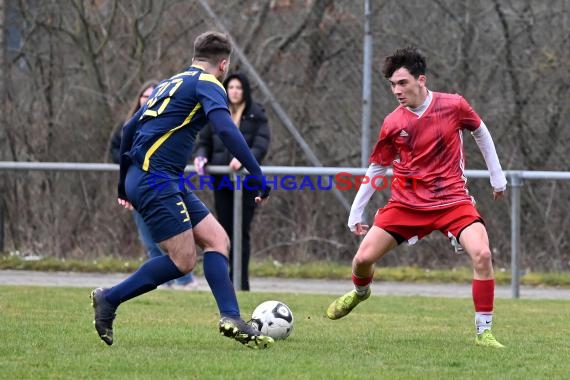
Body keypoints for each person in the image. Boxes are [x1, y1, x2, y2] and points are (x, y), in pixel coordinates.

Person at [91, 31, 273, 349]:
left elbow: (129, 128)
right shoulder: (208, 83)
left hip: (157, 177)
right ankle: (109, 298)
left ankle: (231, 317)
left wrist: (123, 181)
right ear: (224, 64)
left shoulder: (169, 83)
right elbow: (225, 128)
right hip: (155, 179)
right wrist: (256, 171)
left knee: (218, 240)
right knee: (183, 260)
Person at [326, 47, 508, 349]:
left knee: (483, 255)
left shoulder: (453, 105)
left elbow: (480, 132)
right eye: (392, 85)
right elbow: (378, 166)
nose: (397, 90)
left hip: (452, 200)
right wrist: (356, 211)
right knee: (362, 259)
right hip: (407, 203)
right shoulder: (393, 122)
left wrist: (497, 176)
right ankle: (360, 293)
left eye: (402, 83)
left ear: (420, 80)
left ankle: (484, 332)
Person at [109, 81, 198, 291]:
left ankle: (184, 281)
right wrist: (126, 181)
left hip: (162, 185)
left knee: (177, 238)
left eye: (152, 95)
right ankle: (161, 282)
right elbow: (117, 149)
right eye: (144, 95)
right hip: (139, 186)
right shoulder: (131, 124)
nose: (147, 99)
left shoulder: (167, 123)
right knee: (150, 240)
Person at [193, 72, 270, 291]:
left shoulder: (256, 114)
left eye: (239, 88)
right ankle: (225, 281)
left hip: (246, 183)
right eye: (231, 87)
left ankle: (241, 282)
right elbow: (204, 140)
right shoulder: (217, 110)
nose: (234, 91)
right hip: (222, 182)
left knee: (241, 231)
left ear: (245, 91)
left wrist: (245, 159)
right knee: (223, 232)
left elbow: (261, 144)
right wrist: (201, 155)